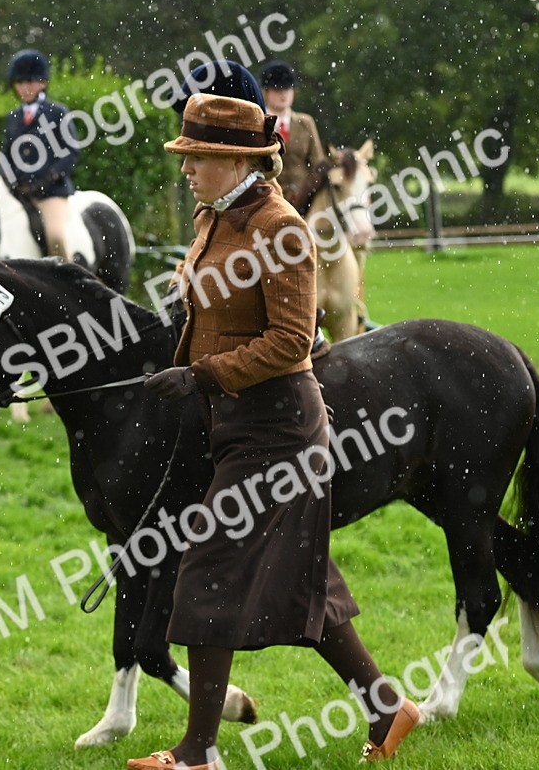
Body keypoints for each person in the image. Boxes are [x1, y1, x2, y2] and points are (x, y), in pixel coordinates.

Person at [133, 94, 418, 769]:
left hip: (280, 430)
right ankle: (387, 708)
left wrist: (201, 375)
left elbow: (292, 341)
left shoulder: (281, 228)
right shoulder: (213, 217)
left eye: (196, 157)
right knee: (303, 579)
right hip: (237, 423)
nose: (185, 168)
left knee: (206, 566)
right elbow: (210, 306)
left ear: (236, 161)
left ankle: (199, 752)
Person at [2, 49, 80, 260]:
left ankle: (68, 275)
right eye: (19, 83)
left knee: (55, 236)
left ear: (42, 83)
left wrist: (49, 177)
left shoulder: (57, 112)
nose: (24, 88)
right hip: (21, 194)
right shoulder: (13, 118)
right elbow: (8, 155)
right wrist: (12, 179)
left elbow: (71, 152)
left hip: (51, 192)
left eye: (29, 82)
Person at [259, 59, 326, 208]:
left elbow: (317, 163)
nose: (283, 94)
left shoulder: (306, 123)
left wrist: (308, 193)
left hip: (305, 201)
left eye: (287, 89)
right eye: (278, 90)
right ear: (266, 92)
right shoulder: (259, 122)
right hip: (268, 199)